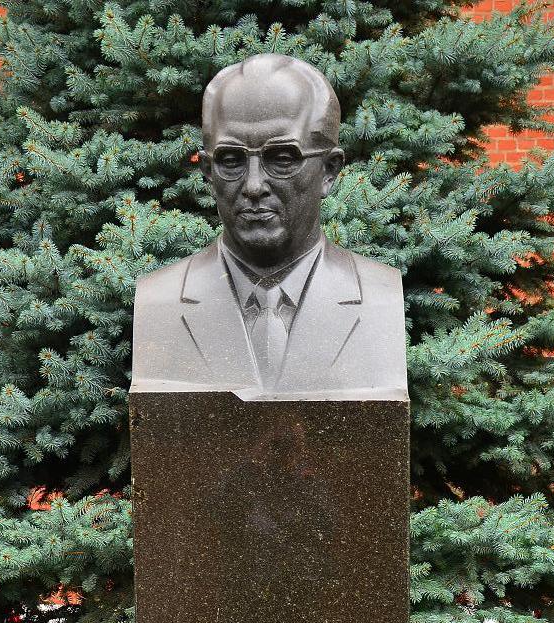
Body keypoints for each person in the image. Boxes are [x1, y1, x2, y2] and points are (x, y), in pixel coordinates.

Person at [131, 53, 406, 399]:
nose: (254, 185)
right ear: (207, 172)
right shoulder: (159, 300)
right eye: (231, 160)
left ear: (329, 171)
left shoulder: (380, 297)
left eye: (282, 158)